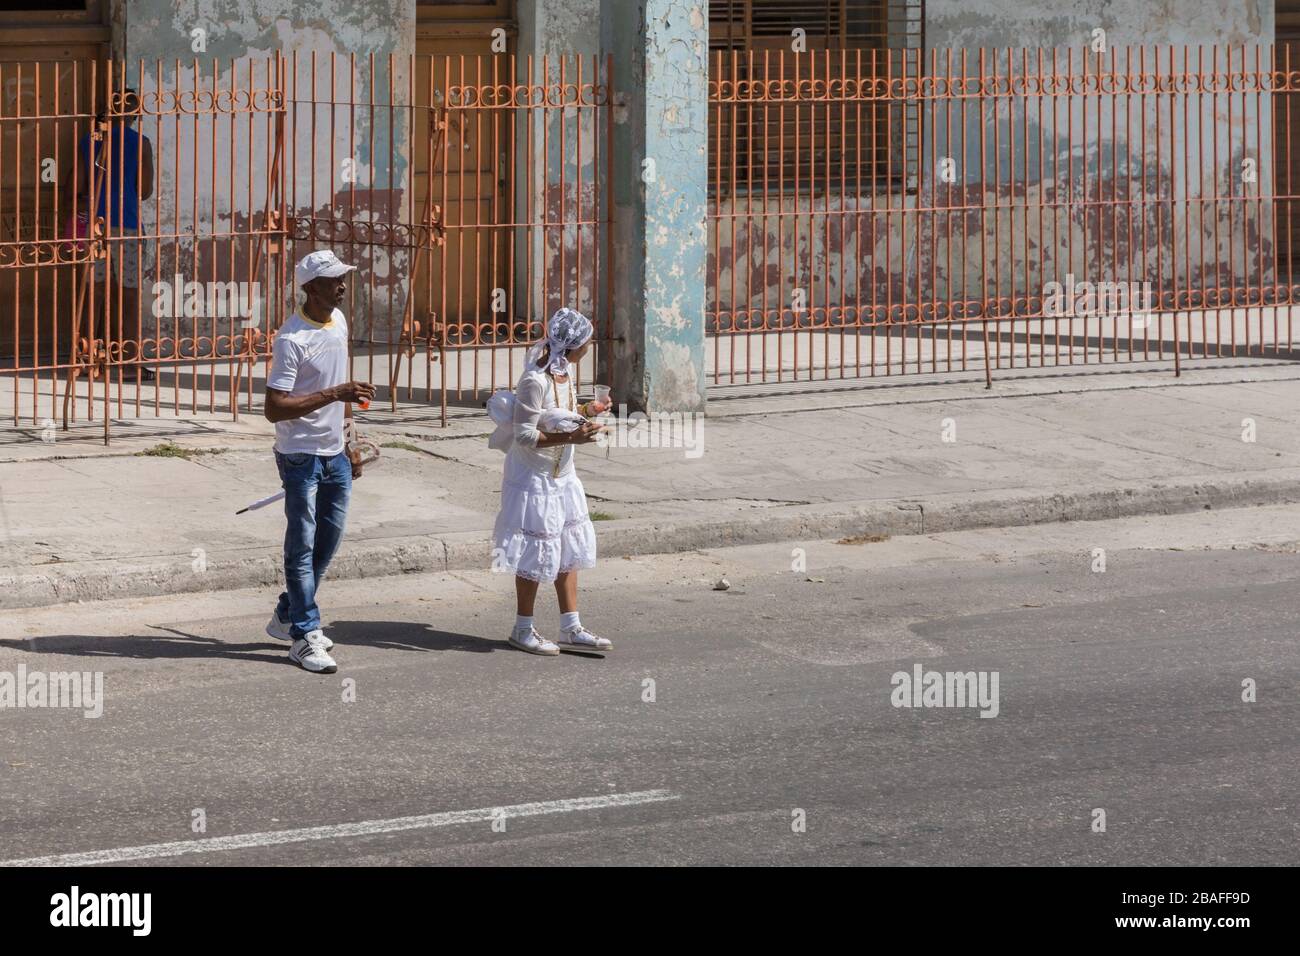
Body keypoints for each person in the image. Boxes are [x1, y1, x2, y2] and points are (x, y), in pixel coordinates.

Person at [263, 250, 375, 673]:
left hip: (335, 453)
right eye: (332, 280)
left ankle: (286, 613)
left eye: (343, 278)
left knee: (328, 540)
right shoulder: (292, 339)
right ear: (310, 288)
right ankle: (304, 635)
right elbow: (274, 408)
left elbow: (342, 393)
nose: (342, 285)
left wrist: (351, 441)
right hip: (300, 456)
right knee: (301, 544)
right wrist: (334, 394)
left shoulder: (339, 322)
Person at [491, 308, 613, 655]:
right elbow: (525, 434)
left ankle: (570, 627)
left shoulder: (565, 373)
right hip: (535, 478)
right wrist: (573, 440)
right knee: (535, 550)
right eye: (588, 340)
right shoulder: (535, 380)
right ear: (575, 344)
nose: (591, 344)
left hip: (562, 474)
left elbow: (565, 415)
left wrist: (591, 412)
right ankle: (522, 628)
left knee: (568, 548)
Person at [70, 88, 155, 379]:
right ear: (134, 114)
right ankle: (129, 363)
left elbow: (74, 189)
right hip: (128, 227)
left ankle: (85, 359)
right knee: (128, 296)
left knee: (91, 295)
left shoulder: (89, 141)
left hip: (95, 226)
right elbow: (144, 191)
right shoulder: (141, 143)